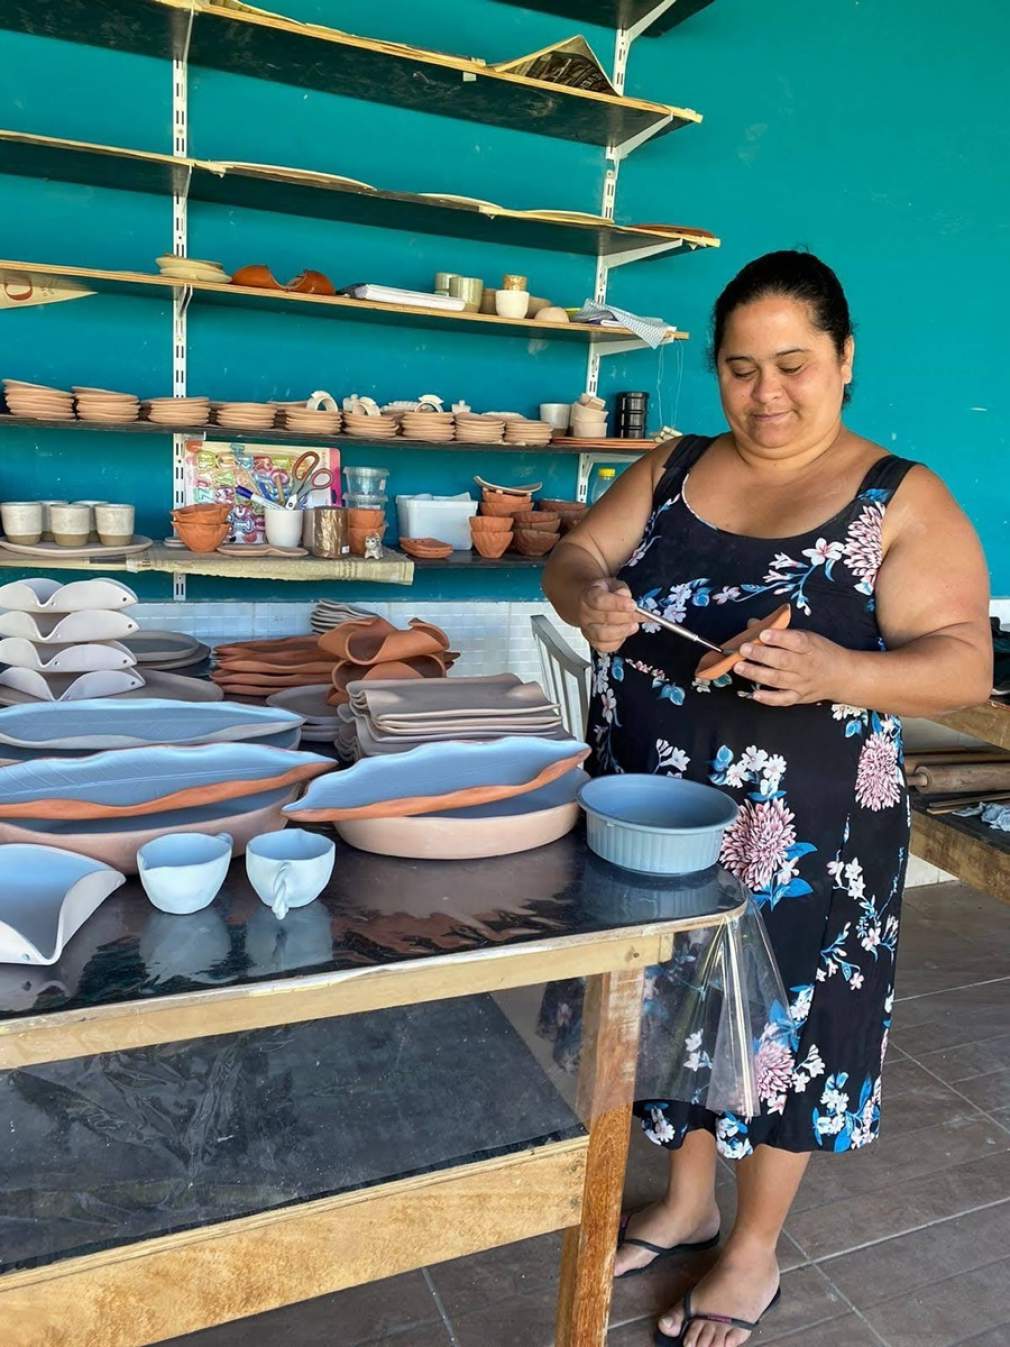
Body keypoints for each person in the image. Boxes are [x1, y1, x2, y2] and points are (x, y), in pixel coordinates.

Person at [543, 250, 992, 1347]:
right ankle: (689, 1201)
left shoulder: (898, 497)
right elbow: (575, 555)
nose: (766, 393)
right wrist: (590, 596)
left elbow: (962, 667)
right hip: (654, 809)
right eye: (740, 368)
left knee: (787, 1024)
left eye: (793, 364)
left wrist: (842, 670)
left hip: (806, 839)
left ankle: (753, 1244)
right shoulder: (673, 466)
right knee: (674, 1005)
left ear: (844, 359)